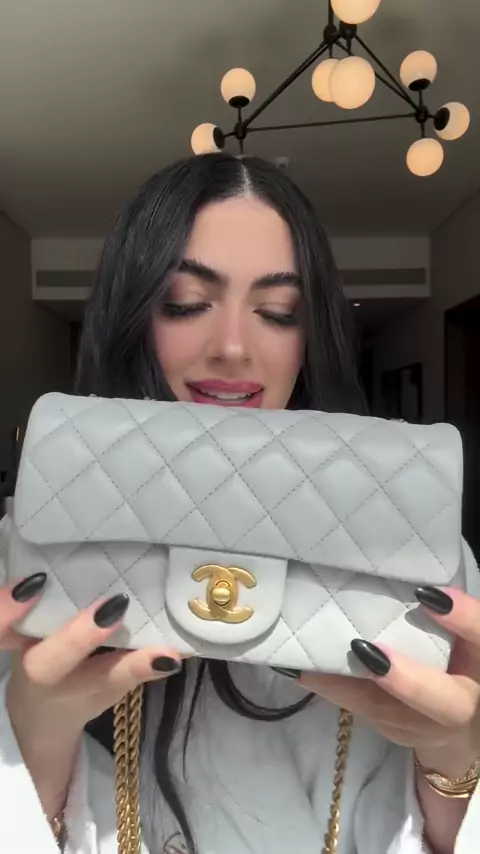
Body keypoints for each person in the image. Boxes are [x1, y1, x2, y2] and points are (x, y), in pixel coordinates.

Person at [0, 153, 479, 854]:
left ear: (310, 337)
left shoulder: (414, 561)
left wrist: (453, 764)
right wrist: (37, 741)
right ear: (132, 318)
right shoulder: (29, 554)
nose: (231, 347)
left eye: (278, 313)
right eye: (185, 303)